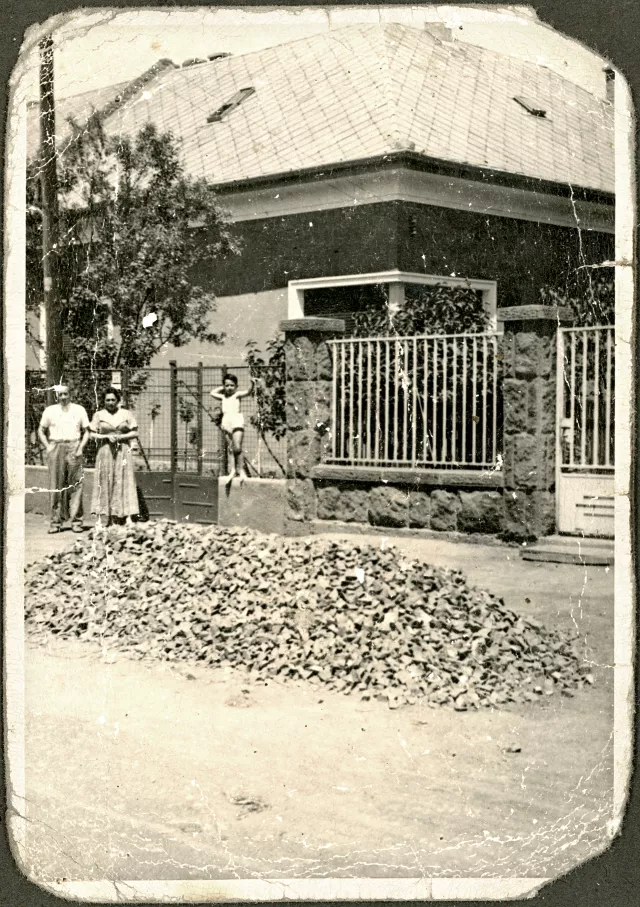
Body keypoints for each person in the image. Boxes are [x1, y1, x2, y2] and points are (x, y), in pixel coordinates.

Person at [38, 385, 90, 534]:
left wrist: (80, 448)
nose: (63, 397)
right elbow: (41, 430)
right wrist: (48, 446)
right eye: (60, 395)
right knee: (56, 485)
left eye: (66, 394)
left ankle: (76, 521)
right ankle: (55, 522)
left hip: (74, 446)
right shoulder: (50, 411)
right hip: (56, 446)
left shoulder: (79, 410)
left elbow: (87, 432)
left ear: (70, 394)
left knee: (76, 484)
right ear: (56, 396)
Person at [89, 387, 140, 527]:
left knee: (125, 480)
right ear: (104, 401)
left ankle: (129, 517)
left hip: (123, 450)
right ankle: (105, 518)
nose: (110, 402)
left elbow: (135, 432)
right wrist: (106, 436)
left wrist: (120, 437)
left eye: (113, 400)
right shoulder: (98, 415)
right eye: (107, 400)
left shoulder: (126, 413)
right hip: (105, 450)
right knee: (104, 481)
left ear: (118, 400)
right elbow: (91, 434)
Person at [210, 373, 255, 483]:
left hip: (237, 421)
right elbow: (212, 393)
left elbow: (248, 392)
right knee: (230, 448)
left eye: (232, 385)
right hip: (226, 421)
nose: (229, 388)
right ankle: (233, 471)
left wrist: (252, 384)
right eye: (227, 385)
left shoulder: (237, 395)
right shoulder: (222, 396)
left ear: (236, 386)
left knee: (237, 447)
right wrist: (223, 386)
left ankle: (241, 471)